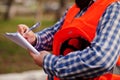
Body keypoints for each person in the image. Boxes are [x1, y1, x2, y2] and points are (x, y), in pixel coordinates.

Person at [17, 0, 120, 80]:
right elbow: (55, 32)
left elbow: (101, 59)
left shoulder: (114, 8)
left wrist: (49, 62)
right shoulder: (75, 8)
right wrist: (34, 39)